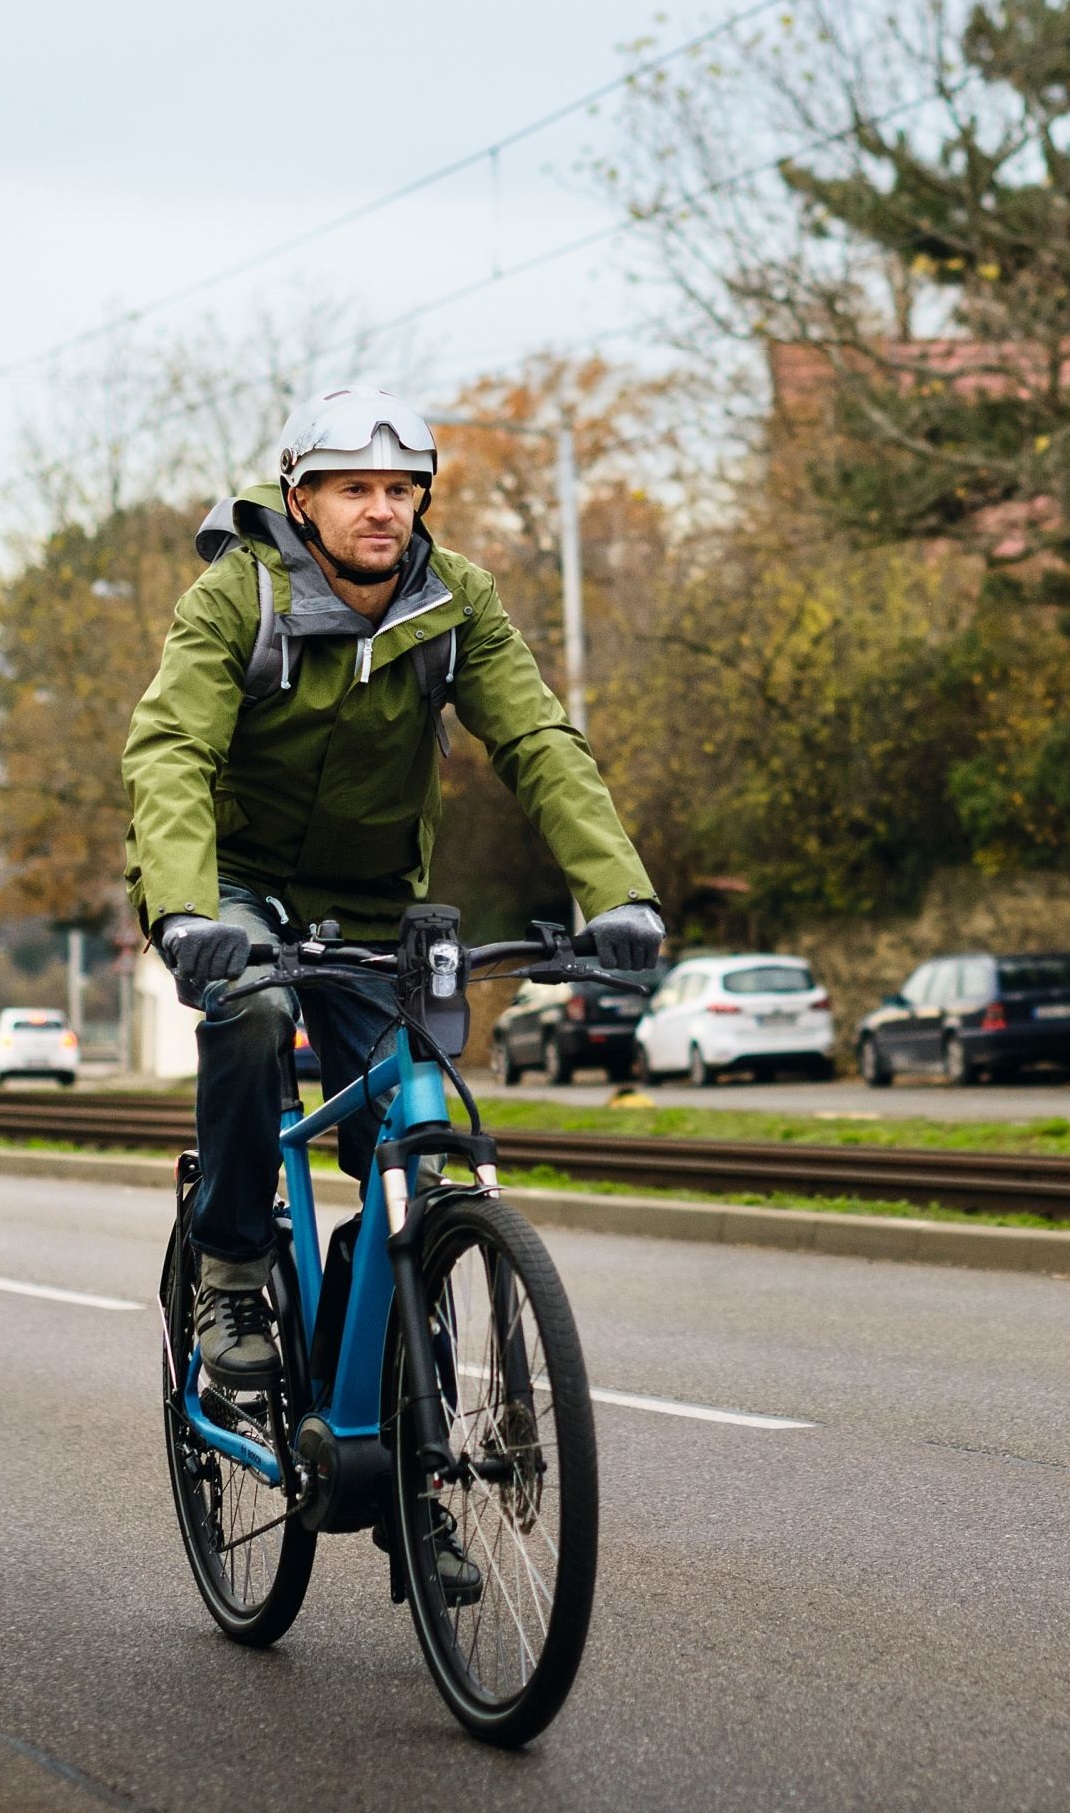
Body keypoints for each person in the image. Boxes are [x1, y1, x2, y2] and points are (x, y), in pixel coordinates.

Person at [125, 388, 664, 1391]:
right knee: (251, 1016)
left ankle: (400, 1426)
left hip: (370, 896)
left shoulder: (455, 599)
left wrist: (617, 893)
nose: (381, 508)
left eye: (400, 489)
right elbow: (172, 751)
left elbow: (538, 742)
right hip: (231, 877)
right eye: (353, 488)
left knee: (408, 1136)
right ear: (299, 497)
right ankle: (232, 1270)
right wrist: (189, 911)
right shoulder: (236, 599)